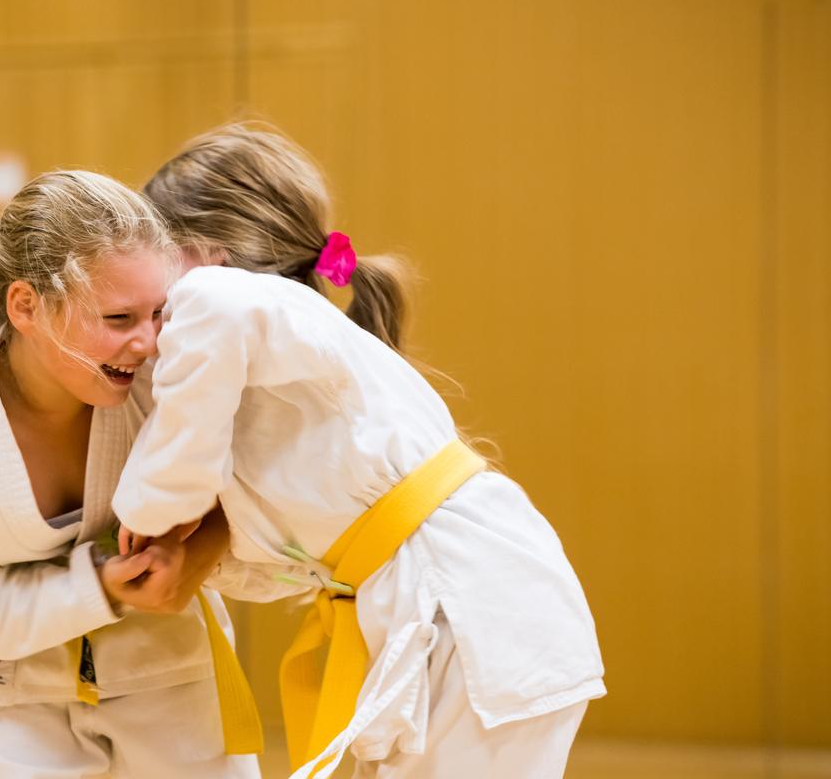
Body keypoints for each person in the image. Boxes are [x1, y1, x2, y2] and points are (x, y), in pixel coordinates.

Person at [113, 124, 606, 778]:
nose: (151, 302)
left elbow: (184, 455)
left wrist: (145, 511)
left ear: (206, 254)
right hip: (463, 598)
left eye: (156, 261)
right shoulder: (279, 342)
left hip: (473, 606)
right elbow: (270, 546)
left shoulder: (218, 299)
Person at [0, 170, 262, 779]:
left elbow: (241, 485)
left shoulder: (170, 374)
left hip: (164, 655)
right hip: (2, 677)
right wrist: (104, 587)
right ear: (26, 306)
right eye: (118, 319)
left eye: (159, 313)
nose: (146, 342)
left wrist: (195, 557)